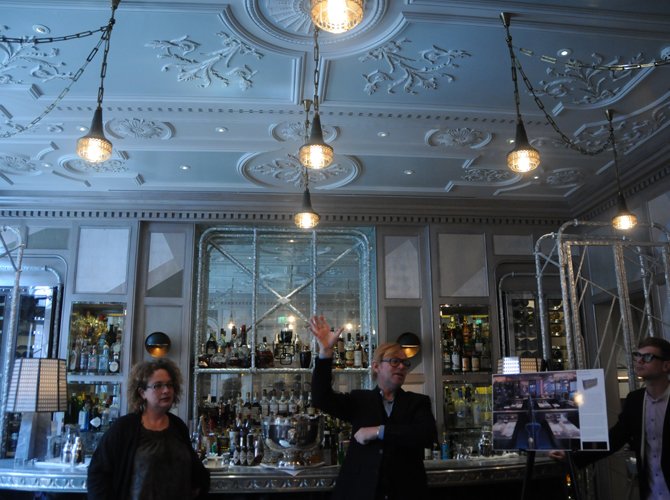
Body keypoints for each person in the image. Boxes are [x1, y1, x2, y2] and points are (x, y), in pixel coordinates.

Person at [309, 315, 438, 500]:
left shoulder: (417, 402)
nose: (402, 367)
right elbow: (321, 398)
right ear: (376, 366)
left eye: (405, 363)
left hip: (405, 492)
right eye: (394, 361)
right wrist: (325, 352)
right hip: (362, 492)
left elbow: (426, 435)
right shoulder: (360, 400)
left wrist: (378, 431)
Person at [550, 337, 670, 500]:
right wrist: (572, 457)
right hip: (651, 493)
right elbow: (615, 438)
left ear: (666, 365)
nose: (639, 361)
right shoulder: (635, 400)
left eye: (648, 357)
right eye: (637, 355)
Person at [87, 358, 209, 499]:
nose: (166, 390)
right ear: (142, 393)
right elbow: (98, 474)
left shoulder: (178, 426)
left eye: (169, 385)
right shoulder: (124, 428)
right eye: (158, 386)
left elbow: (196, 473)